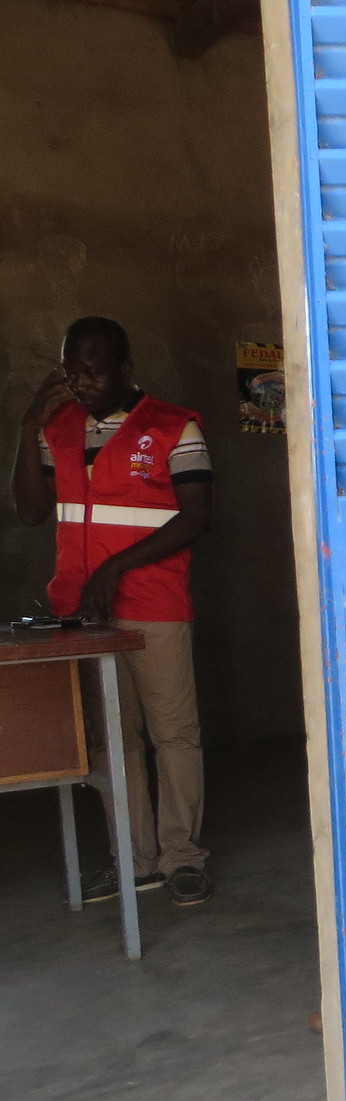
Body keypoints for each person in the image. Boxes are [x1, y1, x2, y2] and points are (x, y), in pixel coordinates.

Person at [11, 317, 214, 906]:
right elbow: (29, 511)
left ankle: (182, 857)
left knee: (173, 734)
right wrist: (28, 427)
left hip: (154, 604)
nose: (82, 382)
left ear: (127, 369)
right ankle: (134, 858)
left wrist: (115, 568)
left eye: (95, 370)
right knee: (108, 739)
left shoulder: (176, 425)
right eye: (73, 370)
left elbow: (197, 515)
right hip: (82, 612)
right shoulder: (58, 427)